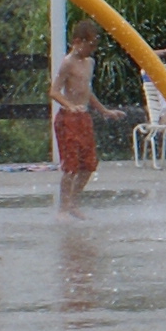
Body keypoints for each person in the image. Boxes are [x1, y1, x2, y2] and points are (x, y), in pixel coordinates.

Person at [50, 24, 103, 209]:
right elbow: (54, 91)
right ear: (77, 42)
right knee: (71, 166)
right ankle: (63, 207)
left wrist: (104, 110)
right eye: (90, 45)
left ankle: (73, 201)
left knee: (89, 165)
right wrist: (70, 106)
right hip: (68, 119)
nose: (92, 50)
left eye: (95, 45)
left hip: (84, 117)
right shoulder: (68, 63)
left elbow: (87, 91)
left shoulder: (90, 62)